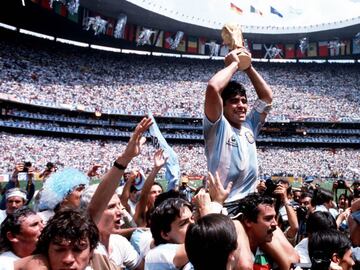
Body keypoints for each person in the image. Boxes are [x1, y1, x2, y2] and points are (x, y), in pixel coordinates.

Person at [204, 47, 273, 203]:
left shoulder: (250, 125)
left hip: (250, 202)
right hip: (226, 204)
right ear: (223, 105)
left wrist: (248, 67)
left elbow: (267, 97)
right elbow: (213, 88)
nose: (241, 105)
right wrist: (234, 64)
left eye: (244, 101)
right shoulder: (217, 127)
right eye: (234, 101)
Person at [144, 198, 193, 270]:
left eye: (192, 218)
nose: (193, 224)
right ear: (165, 234)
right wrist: (205, 208)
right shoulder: (157, 254)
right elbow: (207, 238)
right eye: (184, 223)